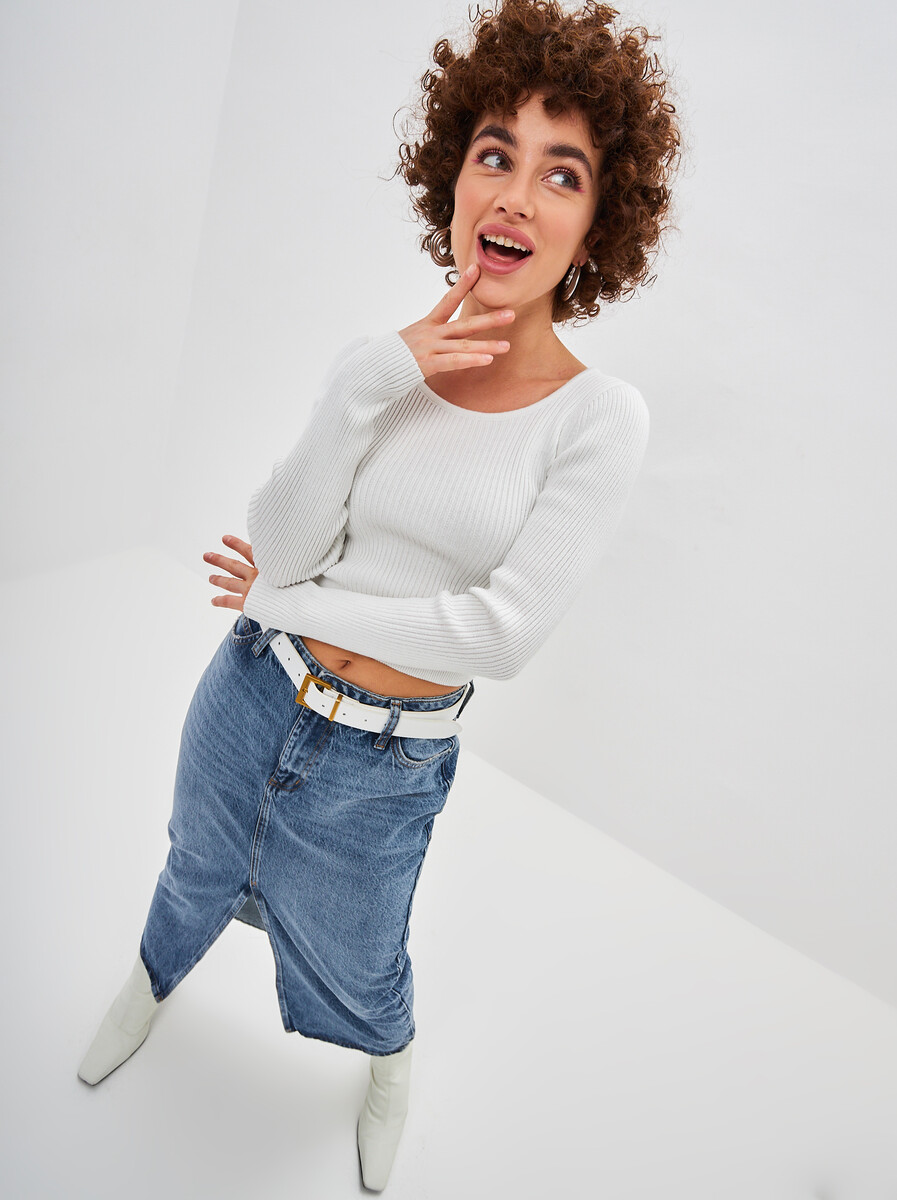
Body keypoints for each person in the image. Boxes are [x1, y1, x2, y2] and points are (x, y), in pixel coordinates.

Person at [77, 0, 681, 1190]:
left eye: (561, 174)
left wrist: (291, 604)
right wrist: (365, 381)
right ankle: (149, 979)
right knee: (193, 864)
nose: (516, 195)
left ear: (597, 223)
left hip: (384, 762)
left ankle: (387, 1061)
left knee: (361, 957)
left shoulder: (598, 419)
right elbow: (282, 543)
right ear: (453, 179)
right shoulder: (385, 365)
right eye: (495, 154)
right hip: (250, 692)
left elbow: (497, 636)